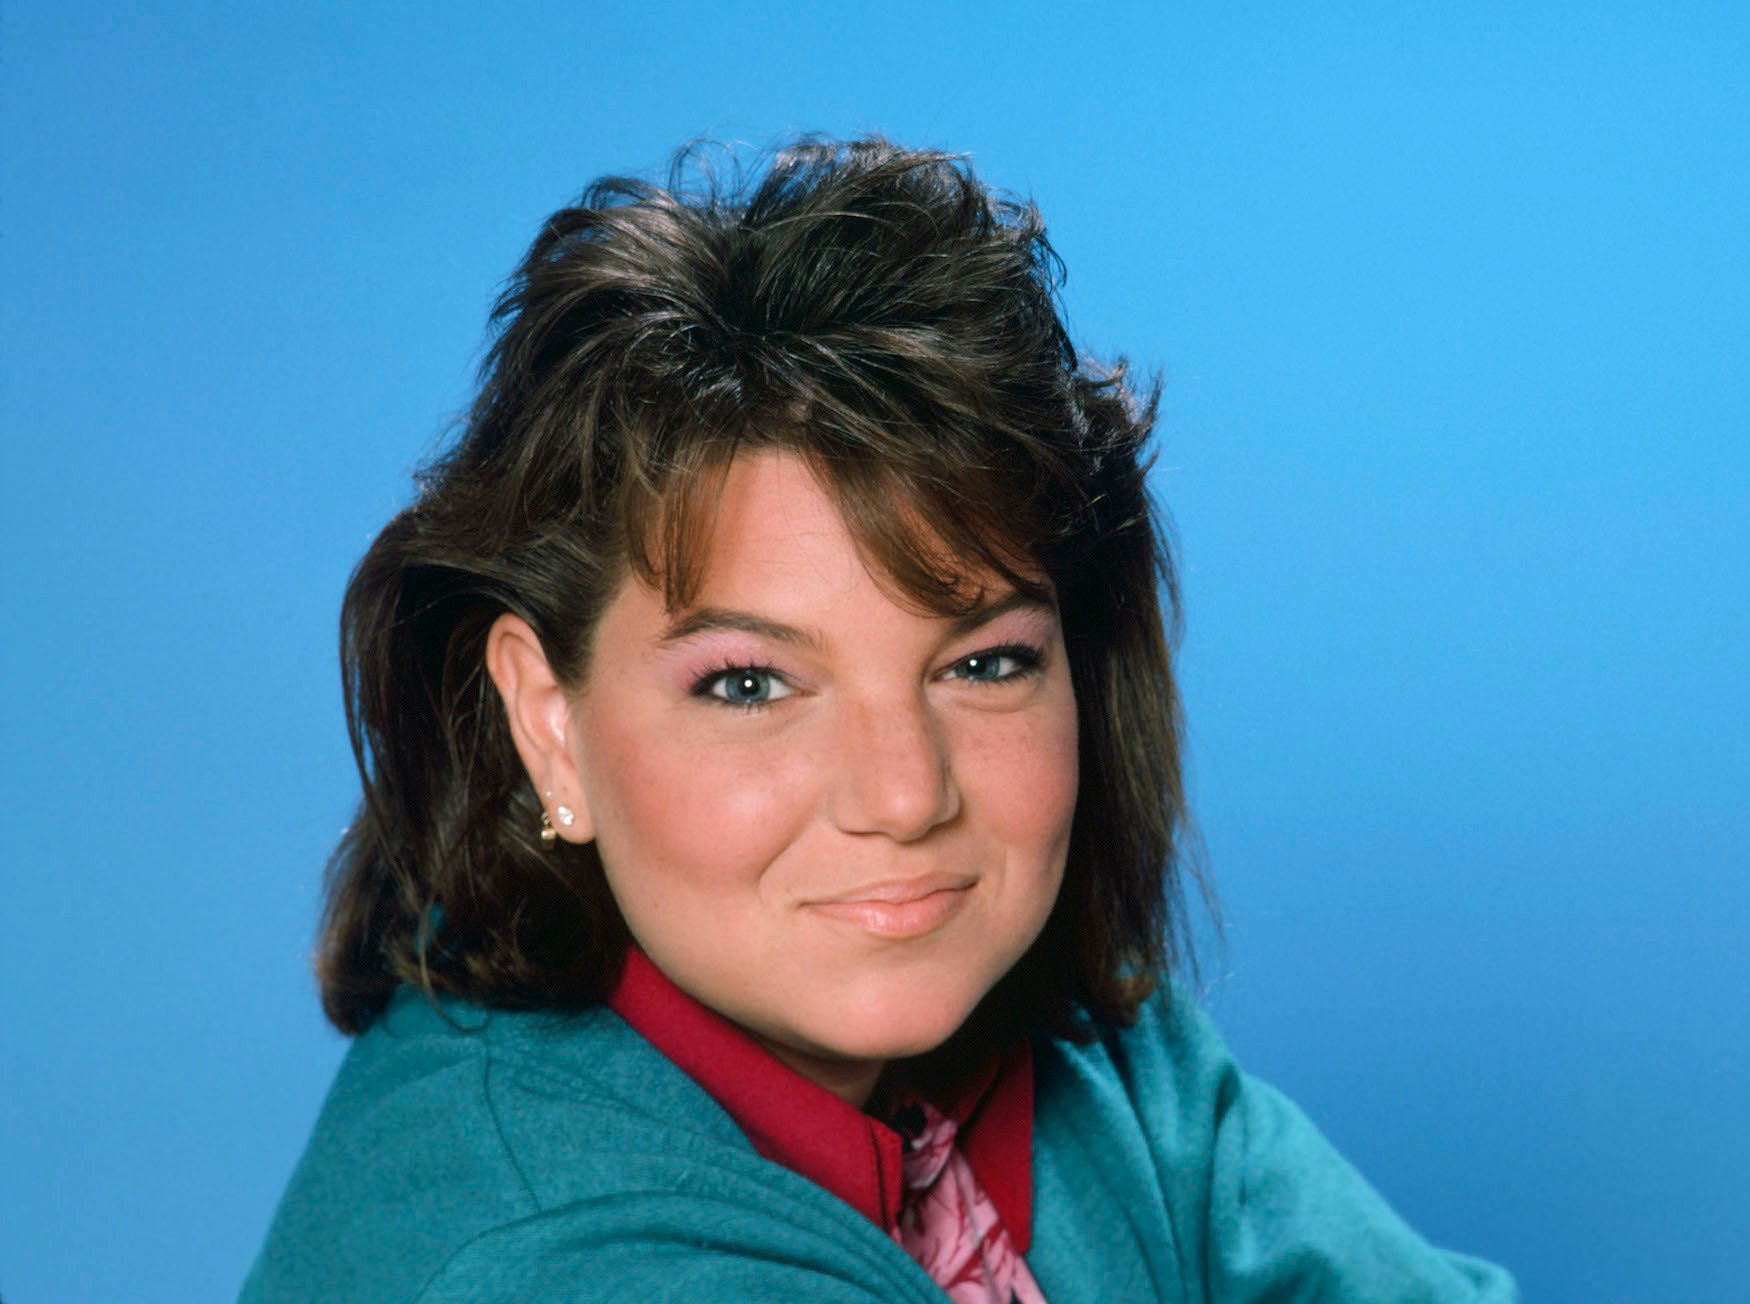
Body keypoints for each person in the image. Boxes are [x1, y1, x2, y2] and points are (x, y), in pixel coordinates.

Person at [244, 136, 1517, 1303]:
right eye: (747, 683)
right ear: (547, 720)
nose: (905, 795)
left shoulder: (1108, 1073)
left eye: (983, 663)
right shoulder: (544, 1254)